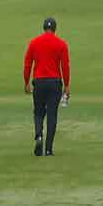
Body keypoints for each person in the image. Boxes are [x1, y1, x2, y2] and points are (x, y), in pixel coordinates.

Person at [22, 16, 72, 157]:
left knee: (38, 112)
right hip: (55, 83)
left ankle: (38, 135)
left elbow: (27, 64)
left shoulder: (34, 42)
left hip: (39, 82)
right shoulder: (61, 44)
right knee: (52, 115)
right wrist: (67, 85)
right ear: (55, 29)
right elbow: (65, 66)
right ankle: (49, 149)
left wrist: (26, 82)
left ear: (43, 28)